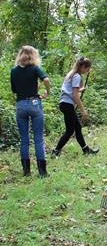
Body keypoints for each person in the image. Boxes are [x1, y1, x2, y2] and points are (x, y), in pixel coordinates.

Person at [10, 45, 51, 177]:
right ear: (33, 55)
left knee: (24, 139)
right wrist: (47, 92)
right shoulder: (35, 68)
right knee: (38, 139)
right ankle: (42, 172)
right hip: (34, 104)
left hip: (21, 105)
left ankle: (26, 171)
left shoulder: (14, 71)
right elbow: (46, 79)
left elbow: (14, 90)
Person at [52, 57, 99, 156]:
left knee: (77, 128)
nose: (87, 71)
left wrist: (81, 89)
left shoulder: (70, 74)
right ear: (82, 66)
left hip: (64, 103)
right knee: (70, 131)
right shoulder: (77, 76)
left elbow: (71, 91)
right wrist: (83, 111)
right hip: (68, 104)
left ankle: (86, 150)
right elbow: (75, 96)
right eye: (87, 69)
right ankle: (55, 151)